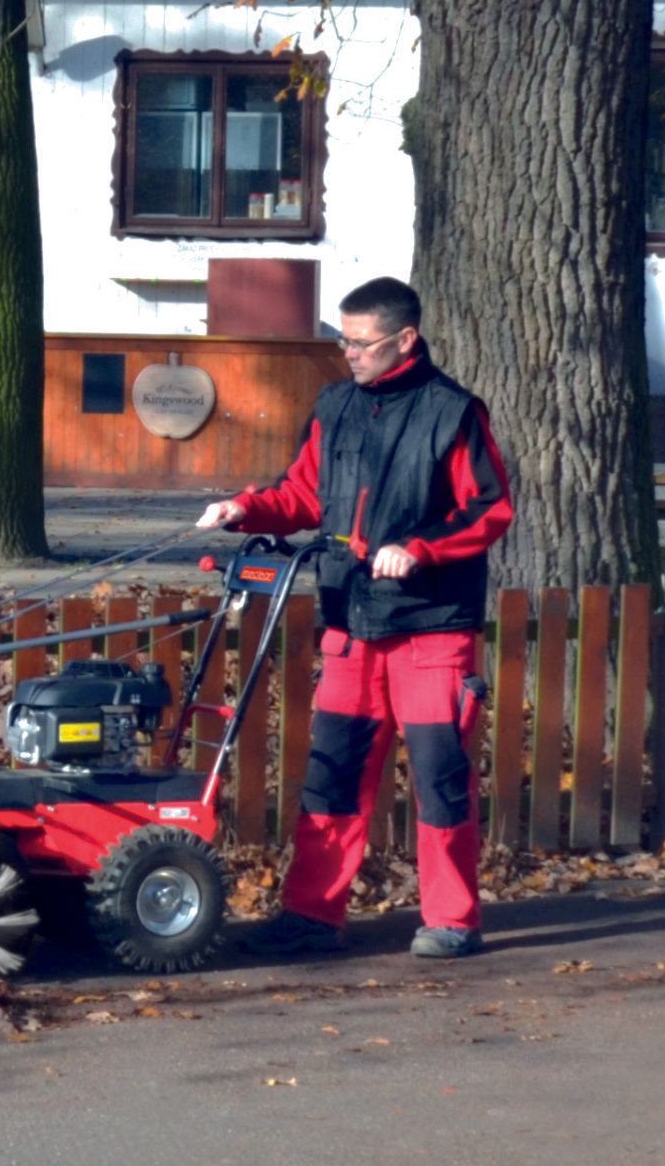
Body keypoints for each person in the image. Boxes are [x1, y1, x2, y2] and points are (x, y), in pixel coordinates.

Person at [197, 277, 513, 959]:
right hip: (349, 621)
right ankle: (313, 913)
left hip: (433, 627)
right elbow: (301, 494)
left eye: (361, 342)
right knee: (333, 772)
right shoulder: (335, 405)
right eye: (343, 338)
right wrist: (243, 508)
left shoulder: (453, 411)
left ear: (405, 339)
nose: (349, 353)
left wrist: (421, 548)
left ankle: (452, 919)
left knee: (440, 776)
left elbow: (489, 510)